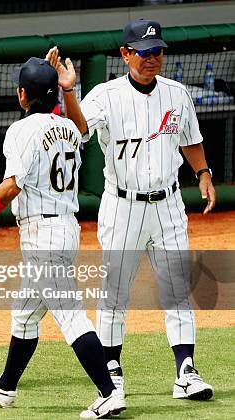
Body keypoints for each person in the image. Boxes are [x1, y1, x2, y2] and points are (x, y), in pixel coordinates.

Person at [51, 18, 215, 400]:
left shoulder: (177, 94)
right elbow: (78, 130)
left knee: (177, 286)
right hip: (123, 205)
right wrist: (70, 92)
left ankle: (185, 371)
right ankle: (112, 369)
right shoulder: (105, 96)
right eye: (144, 52)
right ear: (126, 55)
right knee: (116, 291)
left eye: (157, 51)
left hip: (170, 203)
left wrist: (203, 172)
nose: (152, 58)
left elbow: (190, 138)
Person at [0, 57, 125, 418]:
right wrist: (62, 86)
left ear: (21, 94)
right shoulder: (67, 126)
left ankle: (109, 392)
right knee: (25, 315)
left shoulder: (21, 131)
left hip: (42, 233)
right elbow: (80, 127)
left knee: (71, 317)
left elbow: (12, 186)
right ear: (53, 96)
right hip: (64, 228)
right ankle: (6, 386)